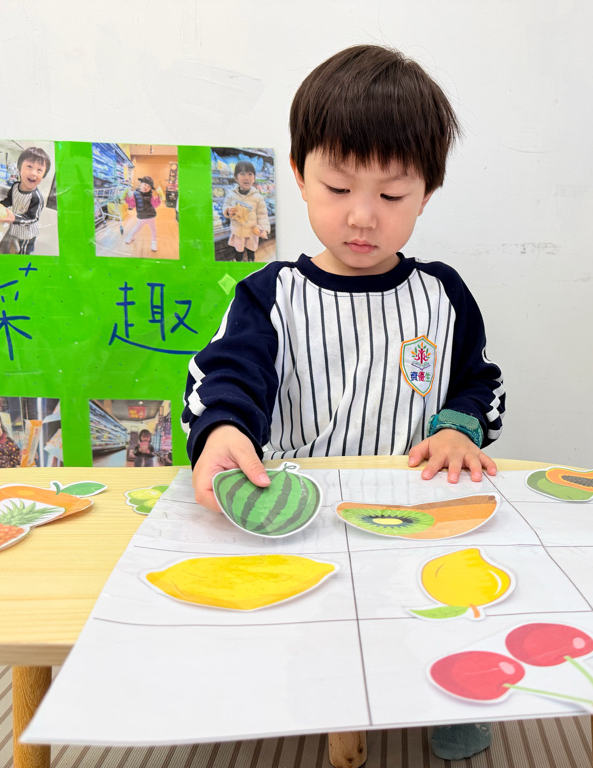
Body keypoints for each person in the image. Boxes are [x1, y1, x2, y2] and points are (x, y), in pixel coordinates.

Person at [181, 44, 505, 761]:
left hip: (414, 505)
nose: (363, 217)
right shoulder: (270, 295)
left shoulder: (443, 295)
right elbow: (227, 373)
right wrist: (224, 428)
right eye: (337, 187)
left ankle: (449, 689)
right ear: (299, 175)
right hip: (306, 506)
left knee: (442, 595)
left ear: (427, 193)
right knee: (309, 617)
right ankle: (309, 683)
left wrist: (459, 428)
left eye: (392, 196)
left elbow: (479, 381)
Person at [0, 146, 50, 255]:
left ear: (43, 175)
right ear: (19, 169)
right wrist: (1, 205)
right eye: (29, 166)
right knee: (15, 243)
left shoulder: (37, 197)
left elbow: (32, 218)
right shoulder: (15, 186)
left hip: (27, 234)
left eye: (39, 170)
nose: (33, 173)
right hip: (16, 227)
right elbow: (9, 200)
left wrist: (14, 218)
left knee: (24, 252)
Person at [223, 160, 271, 262]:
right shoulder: (231, 195)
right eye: (242, 174)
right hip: (238, 230)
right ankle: (238, 261)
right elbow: (225, 206)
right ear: (236, 178)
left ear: (254, 178)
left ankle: (251, 261)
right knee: (238, 251)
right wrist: (227, 211)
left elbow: (262, 214)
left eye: (250, 174)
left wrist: (264, 229)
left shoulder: (258, 197)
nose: (246, 178)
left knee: (251, 251)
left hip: (252, 231)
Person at [124, 176, 159, 252]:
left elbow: (155, 204)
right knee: (137, 228)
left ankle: (154, 242)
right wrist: (126, 199)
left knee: (153, 230)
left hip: (151, 215)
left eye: (149, 186)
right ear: (141, 183)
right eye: (145, 184)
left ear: (150, 188)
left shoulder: (150, 195)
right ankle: (131, 236)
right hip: (142, 215)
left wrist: (159, 198)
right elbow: (132, 204)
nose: (146, 187)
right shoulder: (135, 194)